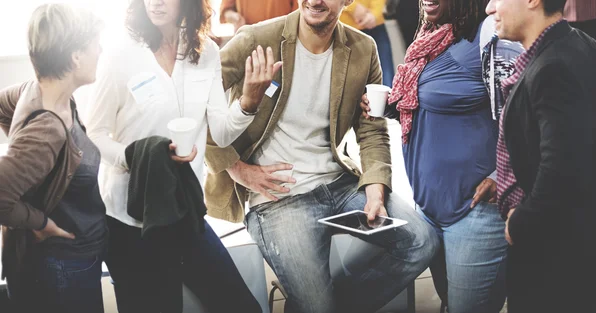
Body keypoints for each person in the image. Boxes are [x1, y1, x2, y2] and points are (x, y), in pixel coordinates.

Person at [205, 1, 438, 312]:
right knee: (317, 305)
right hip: (277, 197)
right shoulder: (256, 40)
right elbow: (198, 107)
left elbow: (372, 130)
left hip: (340, 184)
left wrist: (375, 189)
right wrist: (238, 170)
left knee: (424, 241)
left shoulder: (362, 48)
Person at [85, 0, 277, 312]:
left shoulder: (206, 53)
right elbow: (95, 133)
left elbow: (222, 132)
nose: (155, 2)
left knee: (242, 306)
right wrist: (134, 156)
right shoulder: (121, 53)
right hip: (130, 219)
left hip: (183, 209)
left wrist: (248, 102)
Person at [360, 0, 524, 311]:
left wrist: (502, 175)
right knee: (449, 302)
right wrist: (393, 106)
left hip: (475, 212)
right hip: (431, 209)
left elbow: (528, 112)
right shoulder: (432, 32)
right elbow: (434, 100)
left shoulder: (490, 34)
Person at [486, 0, 596, 311]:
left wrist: (520, 223)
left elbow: (562, 169)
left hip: (554, 258)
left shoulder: (553, 68)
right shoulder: (579, 45)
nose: (489, 7)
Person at [0, 4, 106, 313]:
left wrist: (28, 156)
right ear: (75, 56)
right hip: (63, 270)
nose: (100, 50)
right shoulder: (48, 127)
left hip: (74, 262)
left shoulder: (37, 90)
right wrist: (41, 222)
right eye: (95, 44)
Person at [340, 0, 395, 86]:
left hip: (375, 25)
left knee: (386, 84)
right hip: (344, 25)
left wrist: (375, 13)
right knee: (347, 85)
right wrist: (352, 7)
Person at [220, 0, 299, 32]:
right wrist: (235, 18)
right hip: (247, 38)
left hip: (280, 39)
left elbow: (298, 14)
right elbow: (226, 11)